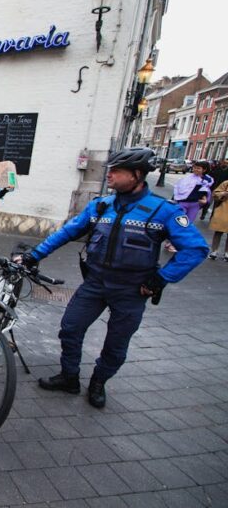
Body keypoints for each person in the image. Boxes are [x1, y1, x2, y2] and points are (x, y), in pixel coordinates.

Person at [19, 148, 208, 408]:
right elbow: (68, 232)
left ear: (138, 175)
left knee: (116, 344)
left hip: (132, 290)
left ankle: (99, 382)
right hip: (95, 283)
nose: (110, 175)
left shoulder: (163, 211)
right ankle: (69, 377)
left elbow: (196, 248)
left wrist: (162, 278)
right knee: (70, 328)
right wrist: (34, 254)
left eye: (117, 171)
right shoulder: (100, 205)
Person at [208, 178, 228, 260]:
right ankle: (214, 251)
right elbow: (215, 193)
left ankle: (227, 253)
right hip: (223, 210)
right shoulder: (226, 183)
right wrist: (223, 193)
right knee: (218, 231)